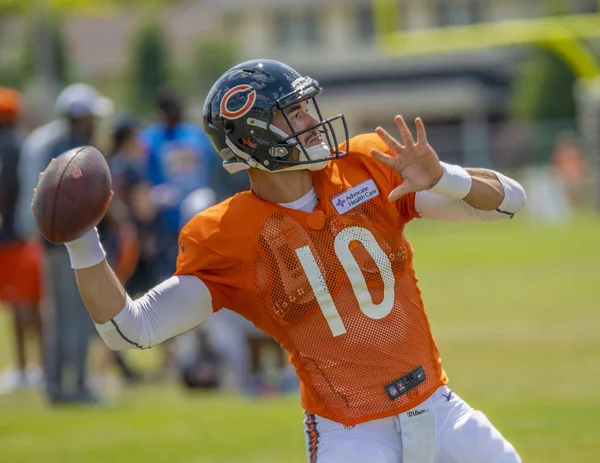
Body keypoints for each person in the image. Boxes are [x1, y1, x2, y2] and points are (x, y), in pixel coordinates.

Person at [39, 60, 526, 462]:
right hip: (353, 433)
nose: (312, 120)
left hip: (439, 409)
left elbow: (509, 202)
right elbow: (130, 329)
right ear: (251, 139)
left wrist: (446, 177)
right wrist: (82, 241)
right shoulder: (226, 234)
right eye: (292, 113)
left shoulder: (367, 165)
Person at [22, 83, 113, 404]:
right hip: (72, 243)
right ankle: (76, 387)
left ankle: (56, 385)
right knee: (74, 315)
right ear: (80, 116)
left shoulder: (53, 144)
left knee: (57, 315)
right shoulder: (78, 151)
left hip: (50, 242)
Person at [0, 87, 44, 393]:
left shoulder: (8, 146)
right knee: (27, 304)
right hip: (24, 234)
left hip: (11, 236)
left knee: (20, 304)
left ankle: (29, 367)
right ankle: (37, 366)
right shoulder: (21, 144)